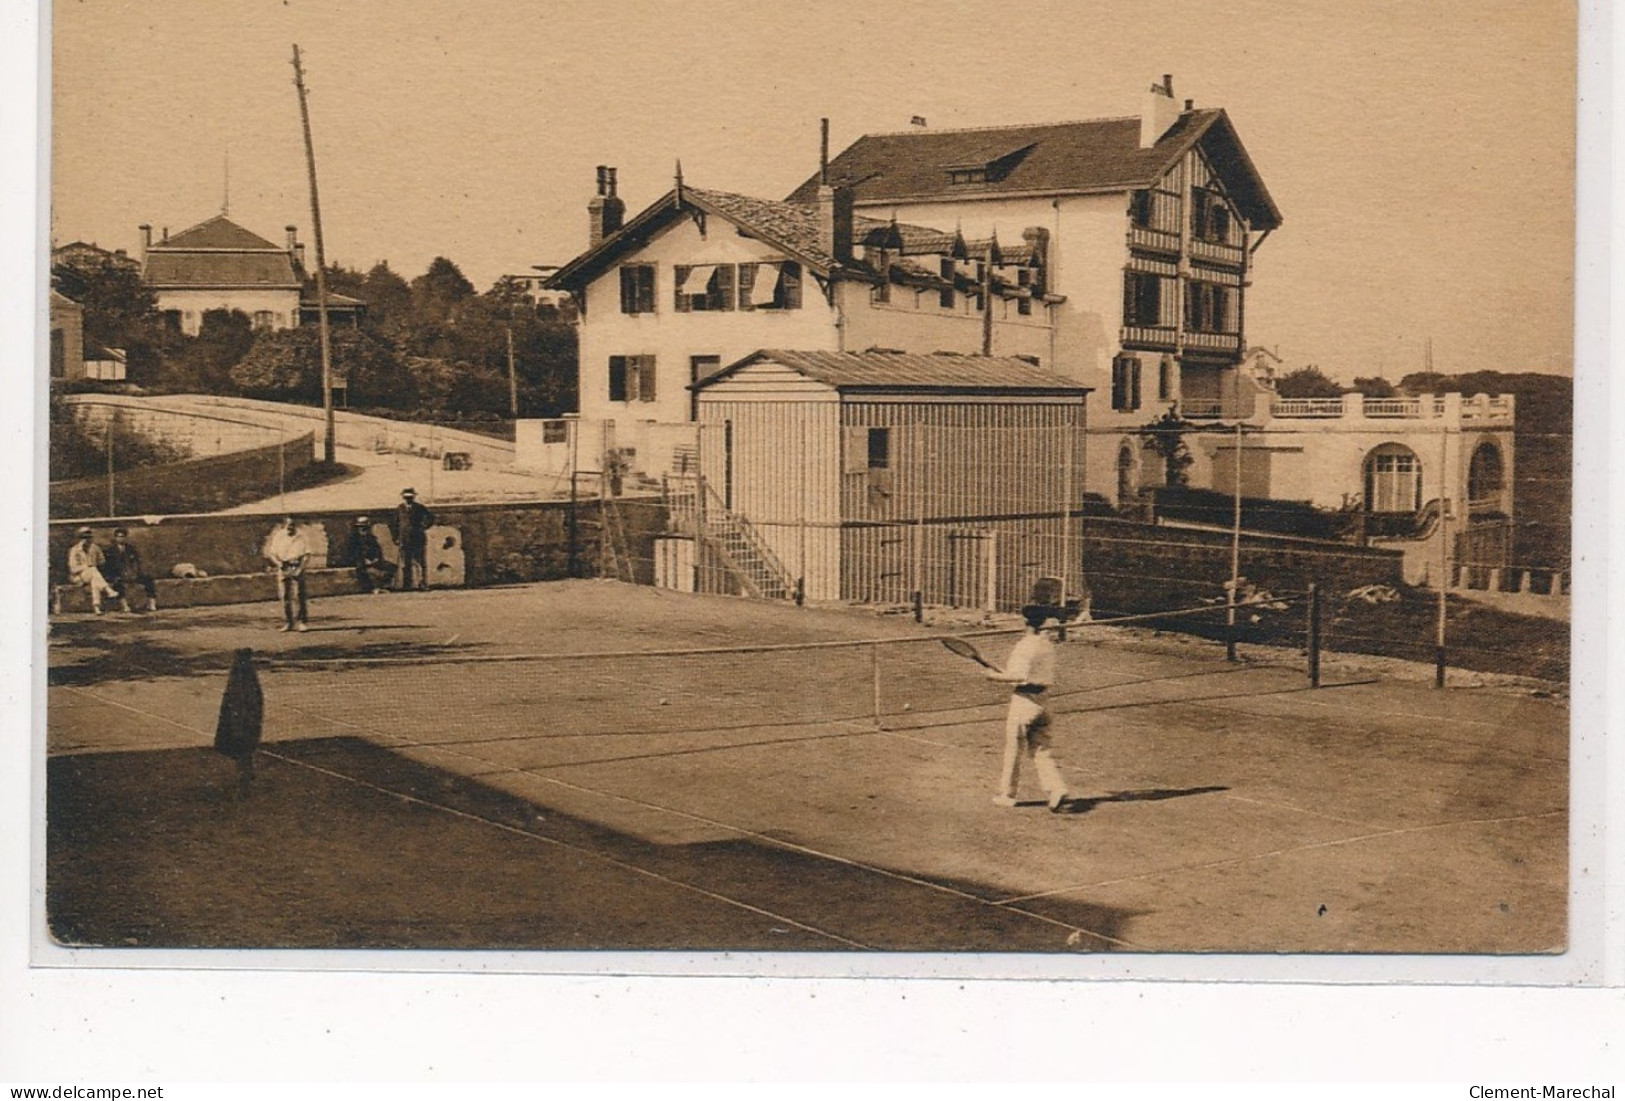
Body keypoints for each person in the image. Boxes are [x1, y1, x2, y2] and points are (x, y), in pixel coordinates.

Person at [987, 604, 1070, 812]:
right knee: (1041, 751)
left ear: (1026, 622)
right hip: (1044, 702)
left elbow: (1017, 676)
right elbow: (1024, 672)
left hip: (1024, 703)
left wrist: (994, 676)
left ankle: (1007, 795)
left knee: (1014, 749)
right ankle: (1056, 788)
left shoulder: (1024, 646)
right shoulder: (1047, 645)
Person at [214, 647, 264, 796]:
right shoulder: (246, 675)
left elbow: (240, 700)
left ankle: (244, 780)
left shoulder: (240, 675)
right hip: (243, 719)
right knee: (244, 750)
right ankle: (246, 774)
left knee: (241, 748)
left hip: (241, 720)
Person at [264, 516, 311, 632]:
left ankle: (301, 622)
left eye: (293, 525)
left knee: (299, 595)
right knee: (285, 596)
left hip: (296, 565)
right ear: (284, 525)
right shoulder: (279, 536)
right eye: (288, 525)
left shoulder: (302, 536)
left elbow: (306, 554)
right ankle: (288, 622)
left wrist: (300, 568)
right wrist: (278, 563)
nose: (291, 527)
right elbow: (273, 553)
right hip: (283, 566)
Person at [65, 526, 119, 614]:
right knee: (93, 571)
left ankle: (96, 607)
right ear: (80, 538)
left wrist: (96, 564)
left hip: (93, 575)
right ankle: (108, 590)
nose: (86, 540)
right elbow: (72, 569)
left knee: (95, 581)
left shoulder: (95, 548)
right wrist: (86, 566)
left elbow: (102, 561)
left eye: (89, 537)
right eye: (84, 537)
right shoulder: (74, 550)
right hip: (78, 577)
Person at [102, 526, 158, 612]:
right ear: (115, 538)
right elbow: (109, 566)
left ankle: (151, 603)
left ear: (126, 537)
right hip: (118, 574)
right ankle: (124, 605)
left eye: (123, 536)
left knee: (148, 579)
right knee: (117, 582)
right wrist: (114, 575)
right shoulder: (110, 551)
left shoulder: (131, 549)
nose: (121, 538)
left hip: (131, 573)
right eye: (119, 536)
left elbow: (136, 562)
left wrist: (135, 573)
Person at [393, 487, 435, 591]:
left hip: (418, 539)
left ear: (414, 497)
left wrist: (424, 526)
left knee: (420, 563)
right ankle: (407, 585)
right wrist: (396, 538)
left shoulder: (420, 507)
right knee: (405, 564)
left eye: (410, 497)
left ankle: (422, 584)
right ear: (403, 497)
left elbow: (430, 518)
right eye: (406, 497)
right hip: (404, 540)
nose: (408, 499)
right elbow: (394, 524)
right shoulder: (400, 508)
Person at [345, 516, 395, 594]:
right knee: (361, 569)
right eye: (360, 527)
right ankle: (370, 588)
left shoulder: (372, 538)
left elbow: (378, 550)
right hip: (359, 561)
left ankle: (384, 586)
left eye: (365, 527)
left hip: (372, 560)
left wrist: (376, 559)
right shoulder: (353, 540)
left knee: (391, 566)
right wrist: (364, 560)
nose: (363, 529)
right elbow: (351, 553)